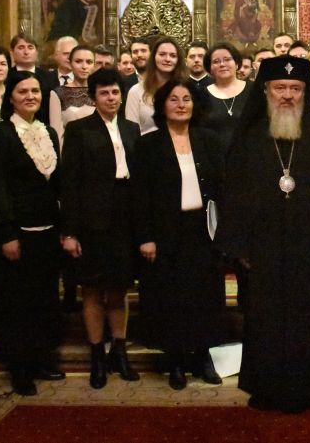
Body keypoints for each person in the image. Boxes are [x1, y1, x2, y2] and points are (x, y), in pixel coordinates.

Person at [218, 56, 310, 412]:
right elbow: (232, 192)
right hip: (263, 248)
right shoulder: (248, 137)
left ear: (306, 92)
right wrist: (240, 243)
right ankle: (266, 388)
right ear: (266, 90)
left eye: (295, 88)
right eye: (280, 88)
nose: (287, 95)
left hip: (309, 246)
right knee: (265, 319)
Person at [133, 80, 225, 390]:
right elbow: (140, 195)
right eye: (174, 99)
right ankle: (175, 360)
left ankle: (202, 355)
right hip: (166, 232)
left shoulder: (209, 140)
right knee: (171, 297)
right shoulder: (148, 144)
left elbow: (223, 188)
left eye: (187, 98)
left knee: (205, 295)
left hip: (203, 230)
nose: (181, 104)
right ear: (162, 106)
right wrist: (145, 236)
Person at [0, 70, 64, 396]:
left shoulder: (49, 132)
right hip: (16, 233)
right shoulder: (1, 135)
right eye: (23, 91)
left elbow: (55, 184)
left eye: (35, 91)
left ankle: (42, 357)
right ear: (11, 97)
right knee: (16, 304)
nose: (30, 96)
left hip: (47, 231)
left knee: (44, 299)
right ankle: (19, 368)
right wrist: (6, 233)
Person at [60, 68, 141, 390]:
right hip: (92, 221)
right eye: (105, 93)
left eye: (116, 93)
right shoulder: (79, 130)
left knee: (119, 288)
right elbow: (69, 185)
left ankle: (119, 352)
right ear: (93, 96)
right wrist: (69, 232)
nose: (111, 98)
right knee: (93, 289)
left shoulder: (132, 128)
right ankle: (96, 355)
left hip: (125, 219)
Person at [124, 37, 188, 134]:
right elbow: (130, 133)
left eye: (173, 55)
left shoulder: (186, 89)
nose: (167, 59)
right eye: (162, 54)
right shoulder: (135, 91)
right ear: (153, 57)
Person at [198, 42, 251, 152]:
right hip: (213, 158)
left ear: (236, 63)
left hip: (249, 157)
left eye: (227, 59)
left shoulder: (253, 90)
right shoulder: (201, 94)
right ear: (210, 68)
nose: (222, 64)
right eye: (216, 61)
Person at [49, 44, 96, 143]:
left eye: (89, 62)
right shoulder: (58, 93)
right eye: (78, 61)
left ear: (94, 65)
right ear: (70, 64)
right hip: (71, 152)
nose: (84, 66)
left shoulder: (100, 92)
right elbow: (56, 133)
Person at [10, 33, 57, 123]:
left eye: (30, 47)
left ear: (36, 52)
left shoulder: (50, 77)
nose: (26, 52)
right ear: (12, 52)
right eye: (21, 47)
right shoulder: (6, 77)